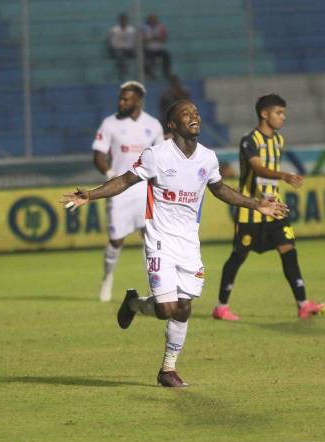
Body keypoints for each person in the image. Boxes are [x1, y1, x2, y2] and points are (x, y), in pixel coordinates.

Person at [63, 100, 287, 387]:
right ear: (172, 125)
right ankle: (133, 303)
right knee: (165, 309)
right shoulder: (157, 155)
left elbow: (220, 189)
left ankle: (167, 370)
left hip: (189, 244)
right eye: (186, 114)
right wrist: (91, 195)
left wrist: (256, 204)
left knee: (183, 307)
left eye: (196, 113)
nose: (194, 117)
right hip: (160, 240)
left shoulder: (207, 157)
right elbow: (125, 180)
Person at [212, 94, 325, 321]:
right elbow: (258, 169)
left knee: (289, 250)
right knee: (238, 256)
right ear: (264, 114)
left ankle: (303, 304)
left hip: (275, 208)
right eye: (279, 113)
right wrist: (284, 175)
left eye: (283, 113)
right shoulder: (249, 140)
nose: (283, 117)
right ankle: (221, 307)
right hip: (251, 210)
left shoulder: (278, 140)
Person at [93, 81, 164, 302]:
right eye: (120, 98)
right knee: (116, 240)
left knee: (150, 239)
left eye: (126, 99)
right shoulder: (109, 123)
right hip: (119, 189)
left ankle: (155, 287)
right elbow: (98, 155)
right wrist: (109, 173)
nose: (121, 102)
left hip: (144, 188)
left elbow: (162, 156)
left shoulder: (153, 125)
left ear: (138, 101)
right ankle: (108, 278)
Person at [107, 14, 137, 80]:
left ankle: (139, 72)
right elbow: (111, 42)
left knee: (139, 55)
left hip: (129, 49)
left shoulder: (131, 30)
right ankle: (124, 71)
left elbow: (134, 41)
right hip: (118, 49)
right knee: (120, 55)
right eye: (122, 20)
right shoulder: (114, 30)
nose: (123, 21)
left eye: (125, 20)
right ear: (120, 21)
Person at [143, 14, 171, 80]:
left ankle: (166, 73)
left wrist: (151, 39)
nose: (152, 21)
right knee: (146, 58)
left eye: (154, 19)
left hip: (159, 49)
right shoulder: (144, 28)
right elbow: (143, 40)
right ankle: (150, 74)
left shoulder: (161, 27)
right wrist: (156, 38)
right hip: (149, 49)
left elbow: (164, 39)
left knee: (167, 55)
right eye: (151, 19)